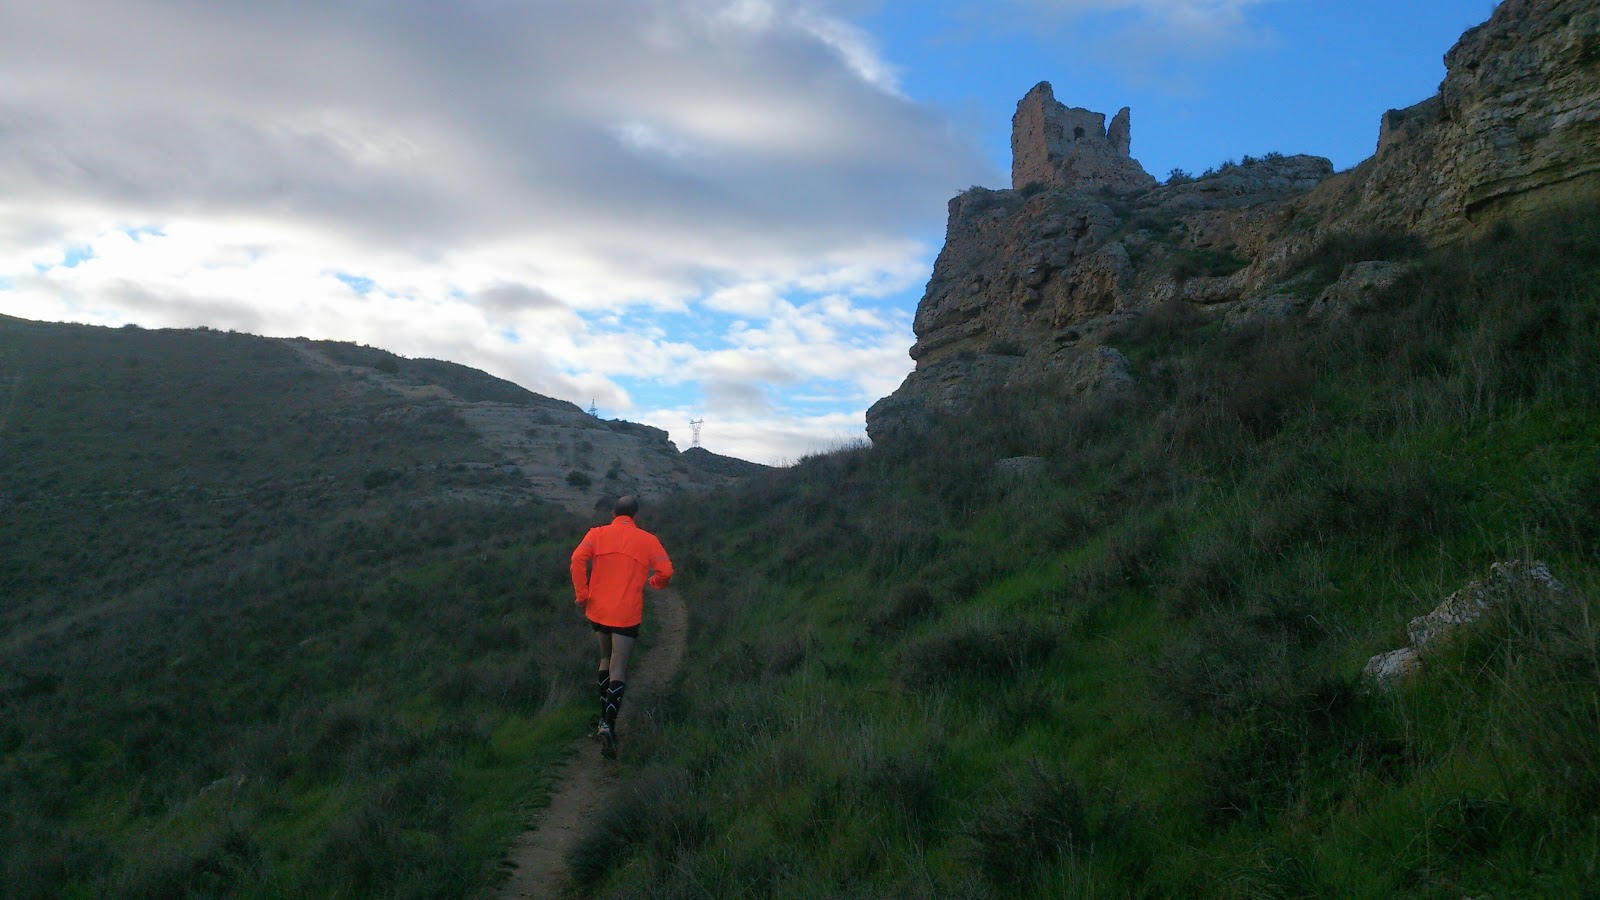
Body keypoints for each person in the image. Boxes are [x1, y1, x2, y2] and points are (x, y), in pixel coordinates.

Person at [569, 495, 673, 759]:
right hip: (626, 613)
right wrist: (654, 584)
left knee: (605, 658)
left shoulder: (597, 533)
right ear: (635, 516)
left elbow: (577, 560)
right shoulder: (648, 540)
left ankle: (602, 718)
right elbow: (666, 572)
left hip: (599, 610)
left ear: (613, 513)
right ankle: (608, 724)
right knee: (619, 665)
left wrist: (582, 595)